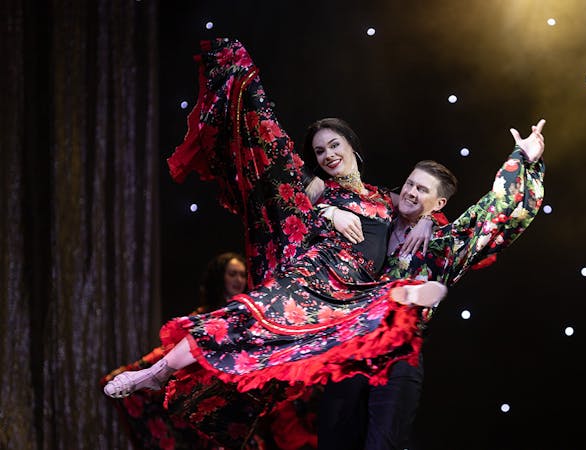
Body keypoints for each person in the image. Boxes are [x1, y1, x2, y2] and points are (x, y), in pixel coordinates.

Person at [103, 38, 445, 449]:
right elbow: (288, 198)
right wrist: (328, 213)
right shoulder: (320, 186)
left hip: (349, 300)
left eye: (335, 145)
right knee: (240, 317)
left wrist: (426, 218)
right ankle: (155, 372)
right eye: (320, 151)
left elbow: (416, 205)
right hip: (311, 280)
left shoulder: (382, 198)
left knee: (361, 348)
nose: (328, 154)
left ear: (352, 145)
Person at [317, 120, 547, 449]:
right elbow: (318, 198)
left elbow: (495, 208)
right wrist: (330, 213)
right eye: (411, 184)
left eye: (422, 190)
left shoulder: (442, 245)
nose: (411, 192)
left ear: (439, 204)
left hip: (398, 360)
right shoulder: (375, 215)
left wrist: (523, 157)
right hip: (348, 350)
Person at [101, 252, 247, 449]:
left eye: (242, 275)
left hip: (240, 399)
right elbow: (171, 351)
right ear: (220, 277)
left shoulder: (249, 316)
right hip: (208, 399)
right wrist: (137, 368)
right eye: (232, 274)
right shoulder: (205, 316)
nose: (239, 280)